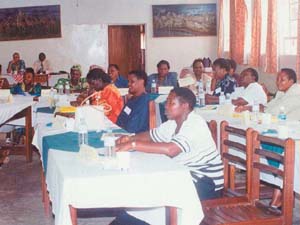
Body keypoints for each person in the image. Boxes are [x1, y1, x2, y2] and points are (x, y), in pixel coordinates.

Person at [110, 87, 223, 225]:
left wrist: (133, 145)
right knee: (145, 194)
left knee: (155, 201)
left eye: (171, 103)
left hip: (205, 182)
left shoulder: (195, 123)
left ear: (185, 106)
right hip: (184, 175)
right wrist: (130, 138)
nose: (166, 106)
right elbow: (150, 136)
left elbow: (171, 150)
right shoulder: (172, 124)